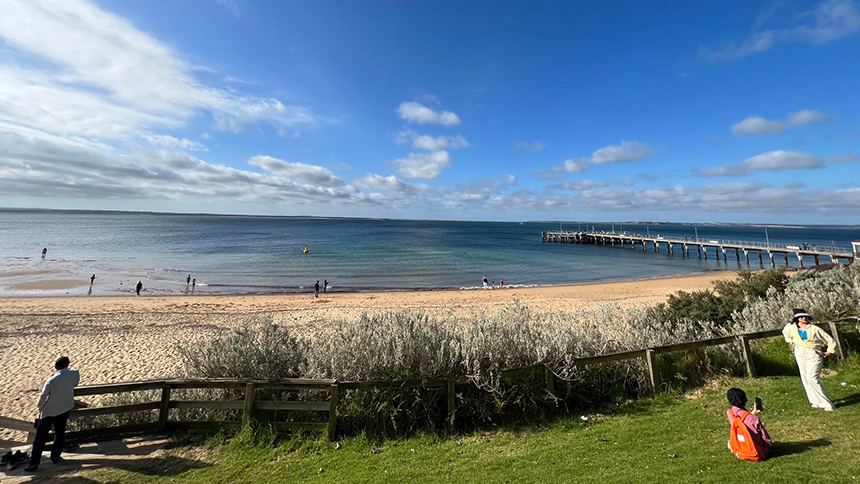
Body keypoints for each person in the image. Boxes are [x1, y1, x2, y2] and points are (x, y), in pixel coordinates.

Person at [25, 356, 80, 472]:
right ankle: (55, 455)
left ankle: (34, 463)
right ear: (67, 364)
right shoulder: (75, 374)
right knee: (59, 433)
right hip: (65, 407)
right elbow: (74, 385)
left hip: (49, 411)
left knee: (40, 438)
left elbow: (42, 398)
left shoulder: (51, 381)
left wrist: (40, 408)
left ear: (56, 367)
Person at [782, 309, 836, 411]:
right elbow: (785, 333)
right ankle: (815, 401)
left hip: (813, 353)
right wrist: (790, 341)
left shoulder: (815, 329)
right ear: (797, 319)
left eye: (806, 317)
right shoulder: (791, 327)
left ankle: (827, 404)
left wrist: (829, 351)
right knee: (805, 376)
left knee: (812, 377)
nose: (804, 318)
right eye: (801, 317)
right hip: (799, 352)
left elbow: (830, 340)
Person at [726, 387, 772, 460]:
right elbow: (766, 439)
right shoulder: (754, 419)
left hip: (740, 448)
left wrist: (753, 412)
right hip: (756, 451)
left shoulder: (730, 413)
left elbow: (742, 420)